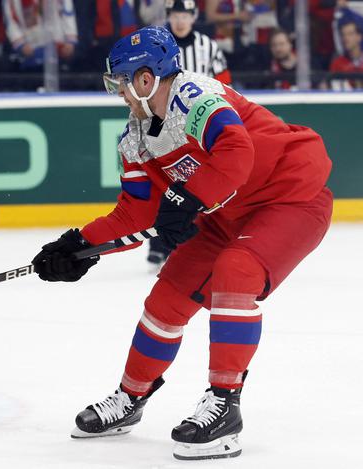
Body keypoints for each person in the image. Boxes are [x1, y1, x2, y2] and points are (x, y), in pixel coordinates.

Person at [31, 26, 332, 460]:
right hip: (225, 212)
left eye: (120, 80)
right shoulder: (134, 138)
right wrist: (79, 246)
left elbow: (236, 149)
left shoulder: (195, 94)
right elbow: (135, 214)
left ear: (146, 78)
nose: (116, 90)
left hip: (291, 197)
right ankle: (130, 398)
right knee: (166, 298)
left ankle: (225, 405)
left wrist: (185, 196)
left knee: (236, 272)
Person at [145, 0, 231, 272]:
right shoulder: (156, 47)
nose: (180, 20)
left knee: (199, 183)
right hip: (165, 125)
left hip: (200, 127)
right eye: (175, 15)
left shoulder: (209, 48)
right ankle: (160, 244)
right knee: (164, 182)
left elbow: (225, 86)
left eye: (185, 15)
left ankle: (195, 243)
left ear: (194, 17)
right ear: (169, 16)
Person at [3, 0, 78, 70]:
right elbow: (9, 19)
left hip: (56, 43)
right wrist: (20, 44)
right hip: (30, 45)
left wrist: (70, 40)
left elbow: (68, 11)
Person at [330, 20, 363, 90]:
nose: (345, 38)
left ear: (359, 37)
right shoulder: (337, 63)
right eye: (343, 34)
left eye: (350, 34)